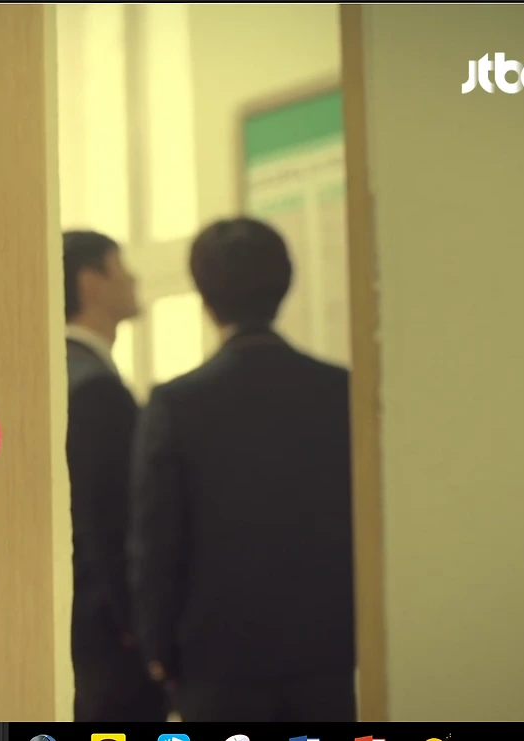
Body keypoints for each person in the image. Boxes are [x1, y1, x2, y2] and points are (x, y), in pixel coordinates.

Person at [129, 216, 355, 722]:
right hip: (327, 651)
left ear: (205, 296)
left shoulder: (177, 404)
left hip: (216, 658)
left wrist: (159, 651)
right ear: (286, 284)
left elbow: (156, 541)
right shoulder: (340, 391)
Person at [62, 231, 165, 721]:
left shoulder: (56, 372)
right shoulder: (95, 388)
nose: (134, 279)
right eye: (120, 268)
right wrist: (138, 624)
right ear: (91, 282)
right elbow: (111, 520)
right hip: (108, 635)